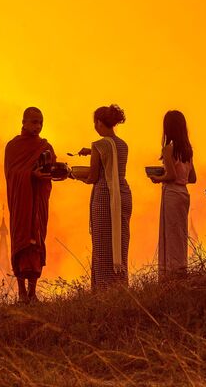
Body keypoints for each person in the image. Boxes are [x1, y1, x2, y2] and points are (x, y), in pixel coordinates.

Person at [75, 105, 132, 291]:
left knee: (102, 243)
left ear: (99, 122)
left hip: (105, 195)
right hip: (122, 194)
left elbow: (93, 176)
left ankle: (103, 287)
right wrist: (92, 152)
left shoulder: (98, 145)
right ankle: (120, 284)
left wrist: (73, 174)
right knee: (120, 239)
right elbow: (112, 157)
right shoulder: (123, 144)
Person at [4, 107, 55, 303]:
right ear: (23, 122)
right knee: (21, 240)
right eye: (34, 122)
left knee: (36, 239)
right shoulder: (13, 147)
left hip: (38, 201)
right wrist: (30, 174)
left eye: (41, 122)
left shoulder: (45, 146)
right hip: (21, 201)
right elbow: (11, 174)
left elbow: (50, 166)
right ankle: (21, 291)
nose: (38, 126)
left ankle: (33, 292)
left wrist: (52, 172)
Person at [149, 110, 196, 280]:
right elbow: (192, 177)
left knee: (170, 234)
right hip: (184, 194)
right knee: (180, 234)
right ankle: (180, 270)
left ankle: (171, 275)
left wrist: (158, 177)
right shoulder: (187, 151)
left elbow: (171, 176)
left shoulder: (168, 149)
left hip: (172, 194)